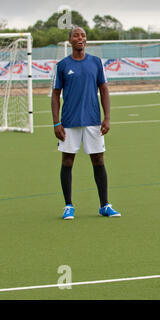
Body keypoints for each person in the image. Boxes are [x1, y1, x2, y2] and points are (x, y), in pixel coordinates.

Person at [51, 26, 121, 220]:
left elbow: (104, 90)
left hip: (93, 121)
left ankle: (104, 205)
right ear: (70, 40)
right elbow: (55, 95)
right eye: (76, 35)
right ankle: (68, 206)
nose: (80, 38)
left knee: (98, 160)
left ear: (86, 40)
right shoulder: (63, 65)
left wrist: (106, 118)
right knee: (67, 161)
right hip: (70, 122)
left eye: (83, 35)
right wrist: (56, 123)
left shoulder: (96, 62)